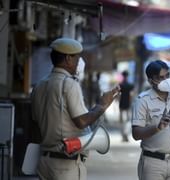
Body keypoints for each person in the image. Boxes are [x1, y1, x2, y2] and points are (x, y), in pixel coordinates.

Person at [31, 37, 121, 180]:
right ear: (68, 58)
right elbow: (82, 121)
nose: (79, 61)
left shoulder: (39, 85)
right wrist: (102, 105)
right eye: (77, 57)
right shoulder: (69, 84)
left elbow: (35, 126)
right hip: (65, 164)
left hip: (44, 161)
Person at [119, 70, 134, 142]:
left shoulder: (120, 85)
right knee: (128, 120)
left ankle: (123, 135)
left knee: (122, 121)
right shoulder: (130, 85)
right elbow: (131, 95)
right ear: (127, 76)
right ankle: (126, 135)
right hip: (128, 104)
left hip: (121, 104)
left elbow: (118, 96)